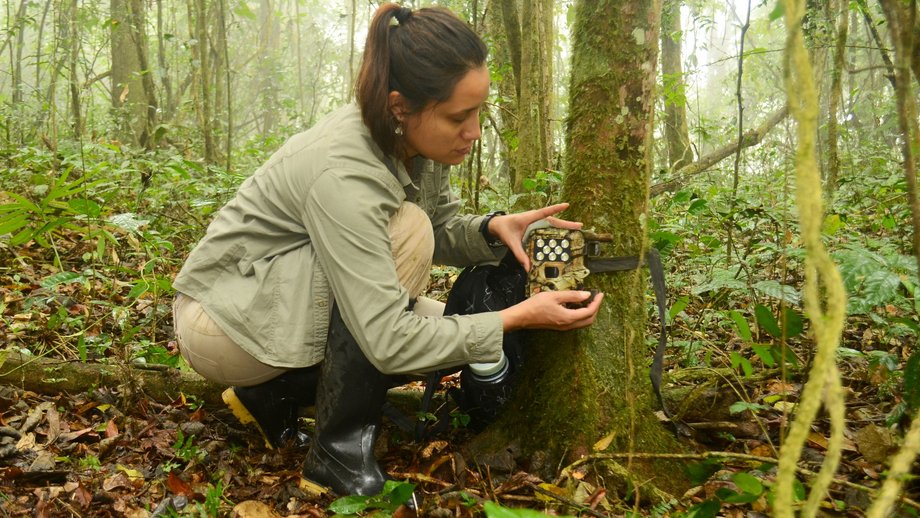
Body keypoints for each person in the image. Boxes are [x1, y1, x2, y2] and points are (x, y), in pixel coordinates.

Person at [171, 3, 603, 497]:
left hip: (272, 309)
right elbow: (386, 334)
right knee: (418, 272)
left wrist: (492, 228)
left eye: (479, 110)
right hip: (223, 323)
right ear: (401, 106)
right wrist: (516, 319)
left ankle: (269, 395)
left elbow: (440, 228)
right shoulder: (345, 171)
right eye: (459, 116)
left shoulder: (412, 139)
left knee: (448, 329)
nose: (475, 131)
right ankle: (337, 453)